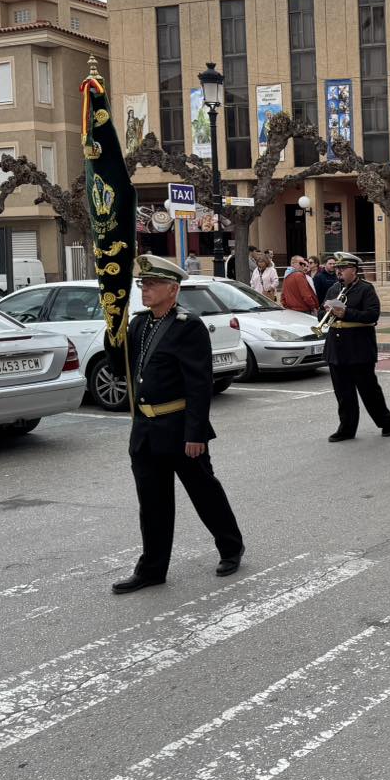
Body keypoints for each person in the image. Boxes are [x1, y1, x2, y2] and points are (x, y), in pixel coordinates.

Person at [110, 255, 244, 594]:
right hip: (145, 430)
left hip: (179, 427)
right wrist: (112, 329)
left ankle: (231, 546)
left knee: (204, 493)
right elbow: (118, 367)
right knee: (152, 504)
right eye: (143, 283)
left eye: (152, 284)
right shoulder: (140, 323)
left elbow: (199, 384)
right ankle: (152, 569)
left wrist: (195, 433)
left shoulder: (188, 325)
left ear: (173, 289)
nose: (145, 289)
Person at [321, 252, 390, 443]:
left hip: (359, 348)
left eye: (342, 268)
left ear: (354, 270)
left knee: (369, 391)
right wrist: (325, 311)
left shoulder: (365, 289)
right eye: (337, 268)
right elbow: (321, 311)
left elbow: (372, 315)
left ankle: (385, 421)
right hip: (336, 348)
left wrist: (346, 312)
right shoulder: (333, 289)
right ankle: (346, 428)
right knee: (343, 394)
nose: (339, 272)